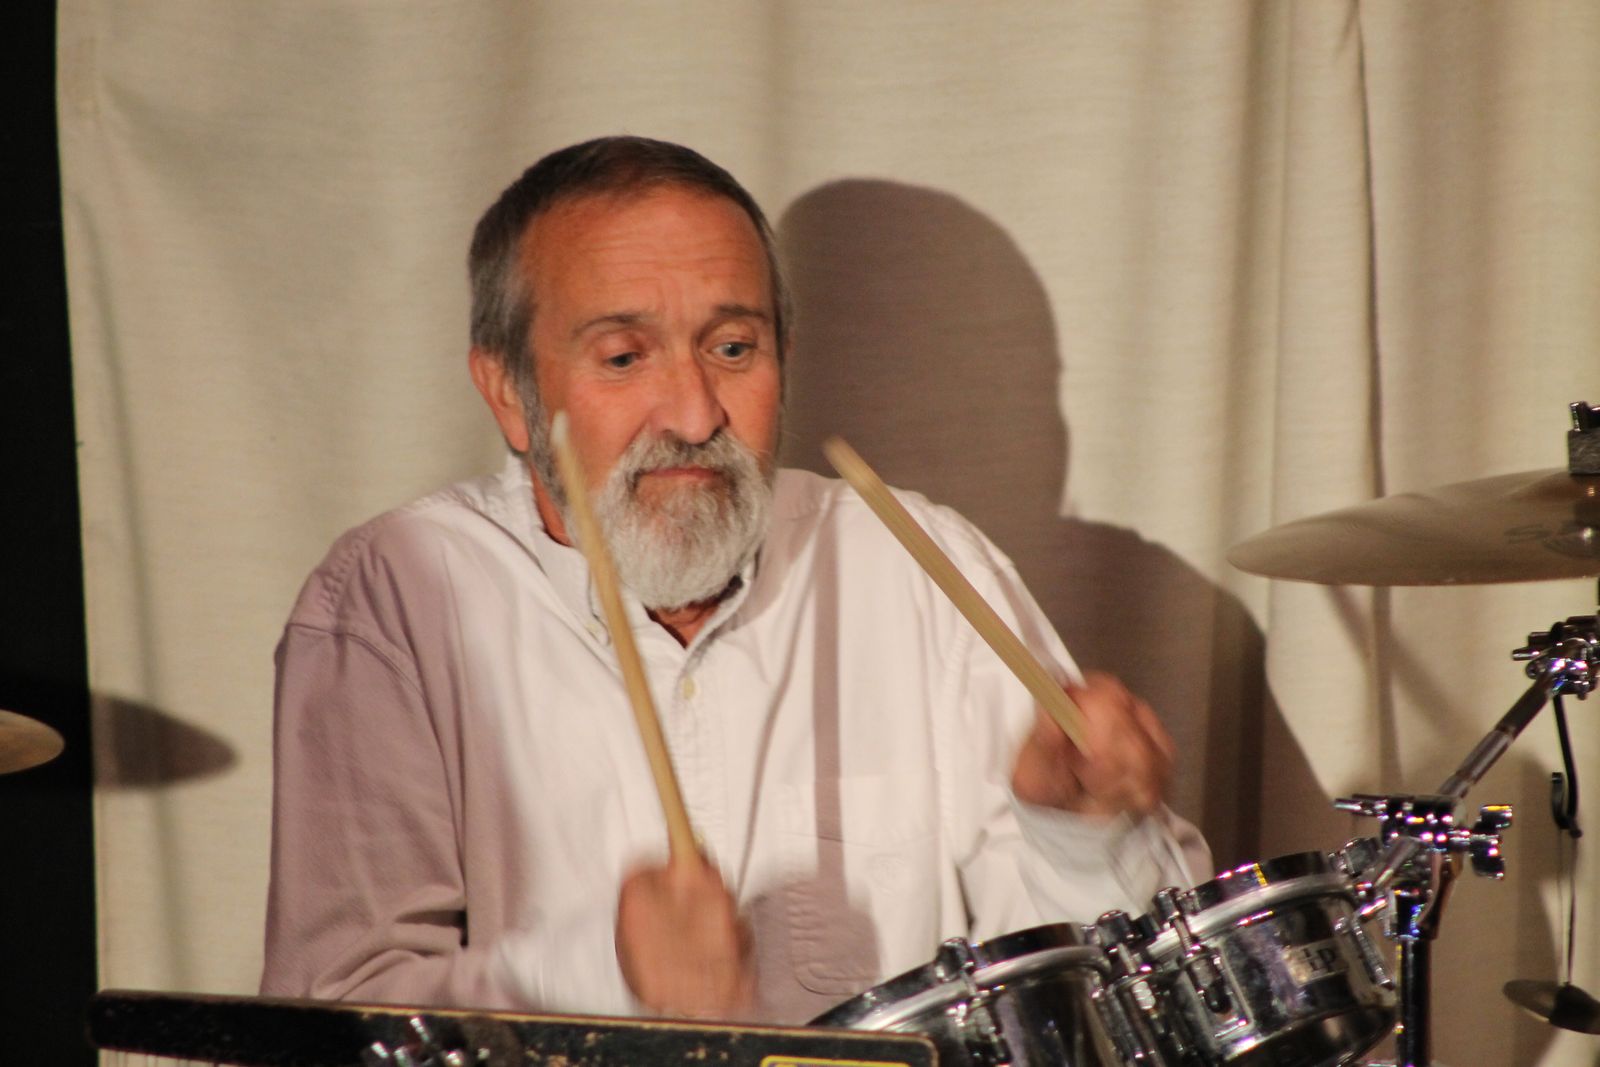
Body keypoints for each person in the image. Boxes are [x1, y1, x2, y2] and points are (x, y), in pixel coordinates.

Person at [260, 136, 1209, 1025]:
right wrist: (598, 972)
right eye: (624, 357)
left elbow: (1128, 1002)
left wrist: (1084, 831)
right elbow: (328, 1016)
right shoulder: (396, 595)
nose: (693, 413)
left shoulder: (919, 563)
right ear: (510, 391)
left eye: (731, 348)